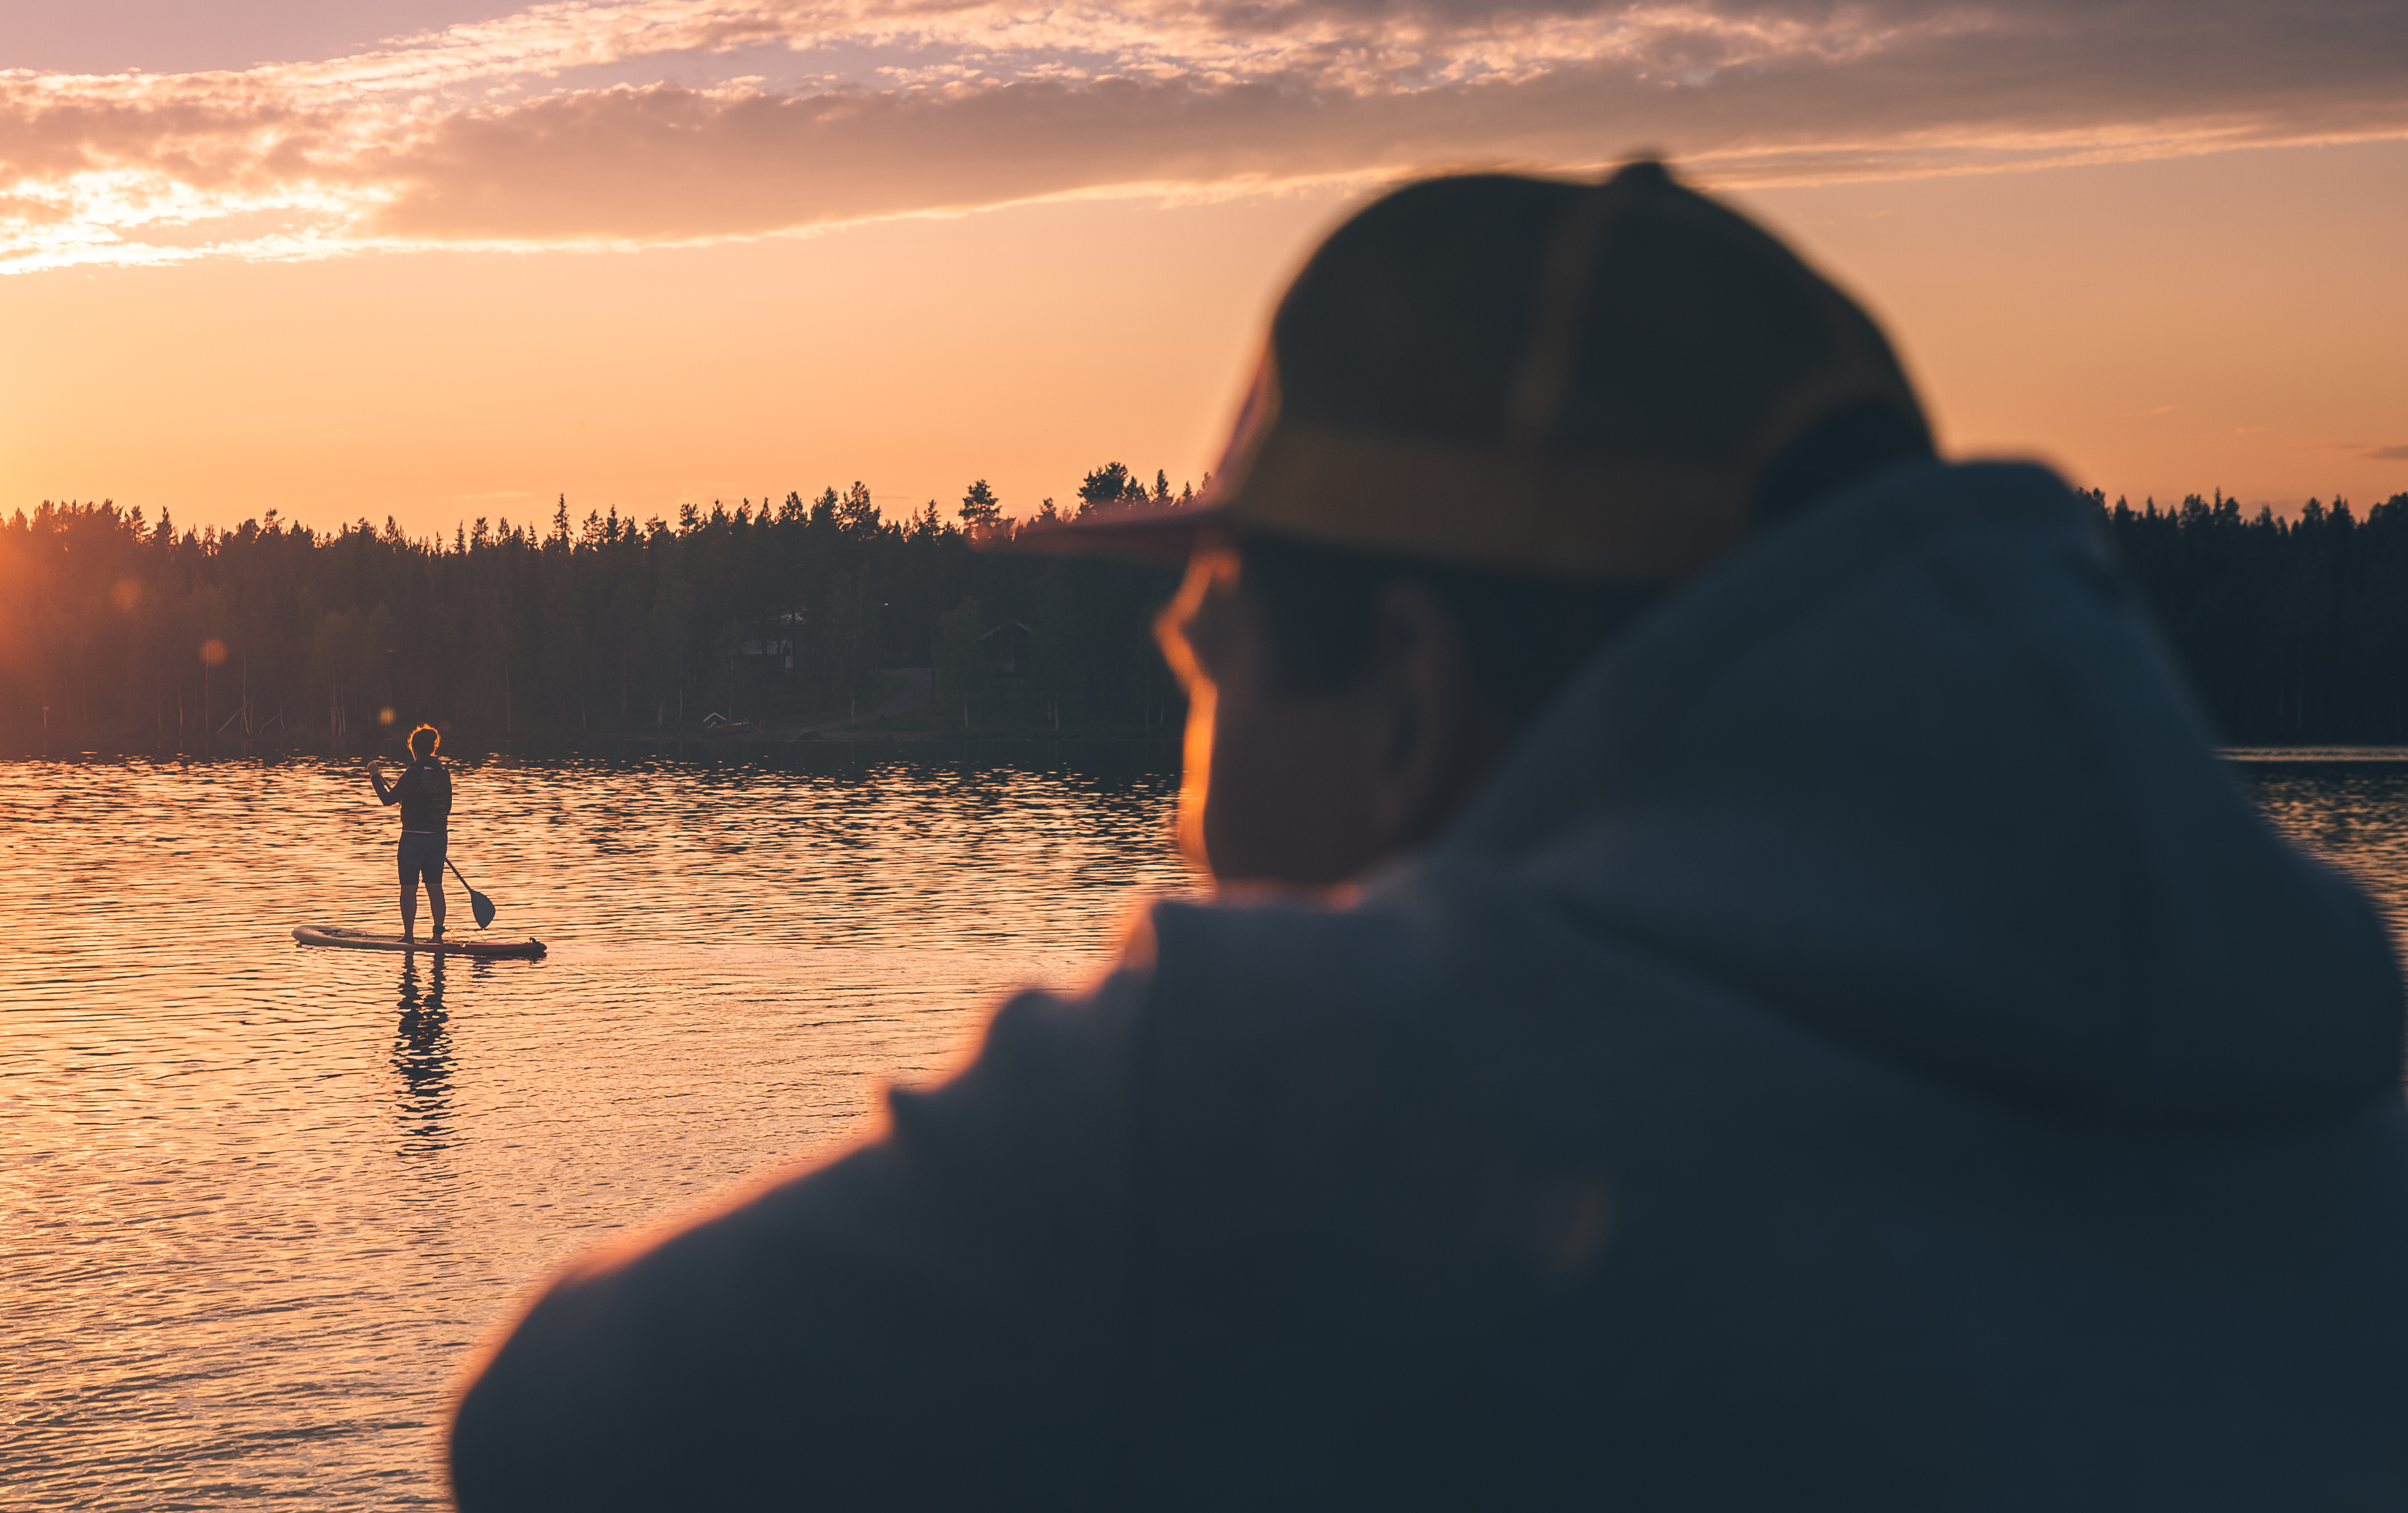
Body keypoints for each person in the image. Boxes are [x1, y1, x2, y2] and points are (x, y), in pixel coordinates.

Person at [446, 161, 2408, 1507]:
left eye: (1202, 666)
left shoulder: (1277, 1087)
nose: (1178, 793)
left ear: (1401, 687)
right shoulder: (2339, 1083)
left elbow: (561, 1436)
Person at [373, 724, 454, 944]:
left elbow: (388, 799)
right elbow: (446, 805)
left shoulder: (414, 772)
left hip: (413, 840)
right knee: (435, 886)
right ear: (433, 747)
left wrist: (375, 776)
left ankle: (408, 937)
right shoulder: (444, 772)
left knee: (409, 888)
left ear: (413, 748)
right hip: (438, 838)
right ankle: (437, 937)